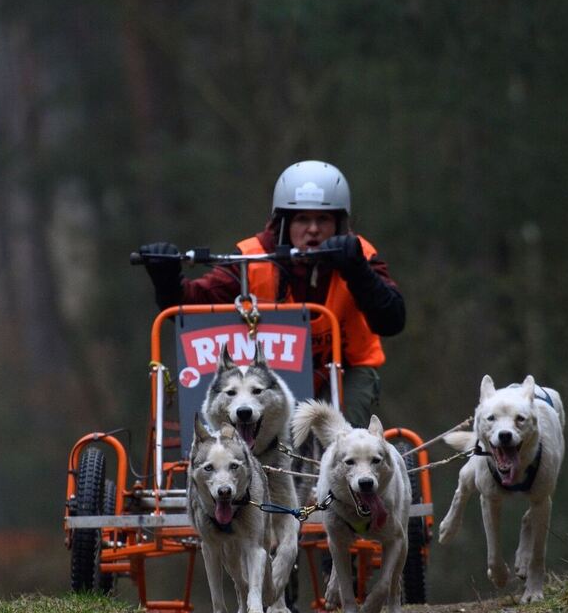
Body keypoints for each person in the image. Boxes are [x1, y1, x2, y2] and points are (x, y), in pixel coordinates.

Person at [138, 160, 404, 427]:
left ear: (339, 224)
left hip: (344, 372)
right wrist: (166, 279)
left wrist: (357, 271)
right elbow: (190, 307)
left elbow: (392, 320)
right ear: (284, 223)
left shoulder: (360, 255)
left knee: (341, 433)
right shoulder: (253, 258)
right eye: (302, 219)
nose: (313, 229)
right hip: (271, 375)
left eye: (323, 219)